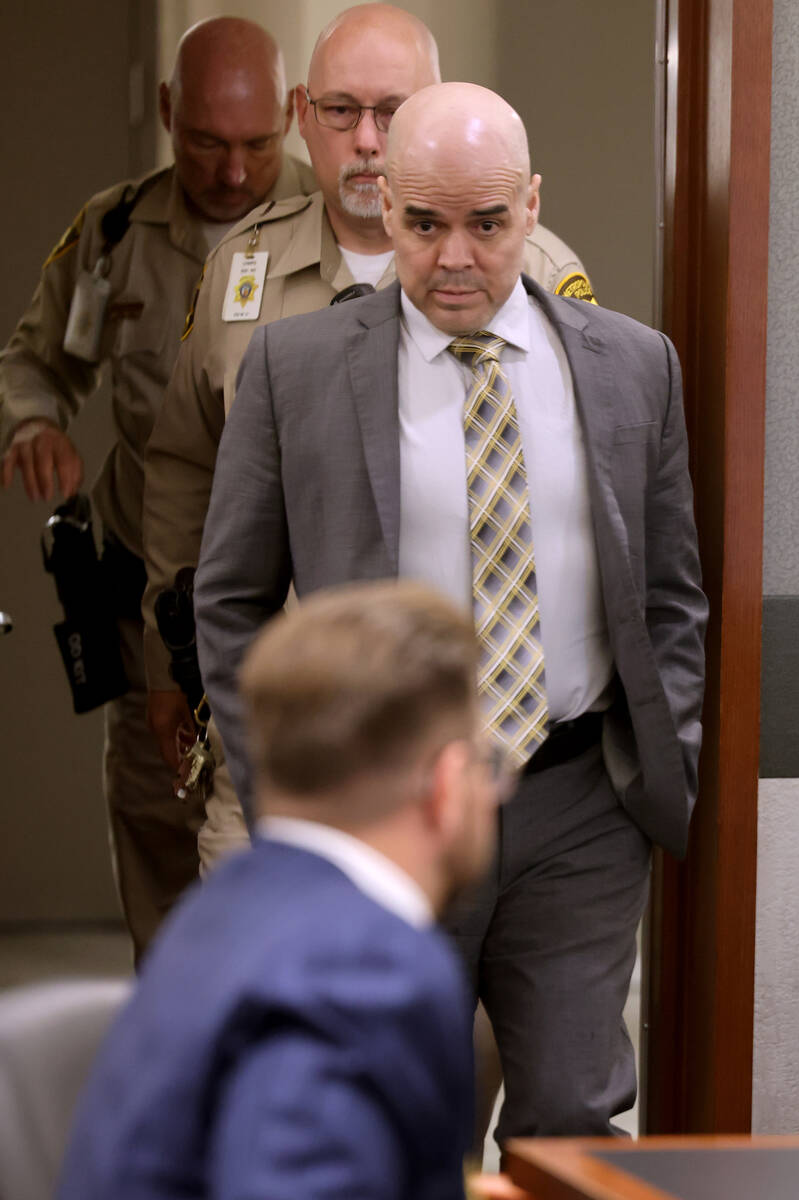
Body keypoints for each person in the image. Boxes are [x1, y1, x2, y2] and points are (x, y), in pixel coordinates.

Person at [194, 82, 708, 1145]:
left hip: (575, 802)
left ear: (530, 204)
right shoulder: (297, 370)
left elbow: (668, 596)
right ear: (385, 208)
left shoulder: (630, 367)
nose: (455, 257)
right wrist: (290, 796)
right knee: (387, 1115)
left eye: (486, 223)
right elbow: (231, 600)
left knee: (570, 1114)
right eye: (423, 225)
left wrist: (667, 759)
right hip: (384, 806)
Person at [141, 2, 597, 870]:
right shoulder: (242, 272)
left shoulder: (534, 274)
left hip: (476, 738)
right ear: (303, 114)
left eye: (394, 111)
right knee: (278, 980)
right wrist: (171, 663)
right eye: (342, 110)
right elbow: (181, 471)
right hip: (285, 720)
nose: (368, 141)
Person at [0, 17, 316, 962]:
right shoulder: (112, 233)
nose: (230, 171)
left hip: (293, 599)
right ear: (170, 114)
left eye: (257, 144)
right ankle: (178, 1050)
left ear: (294, 118)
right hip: (154, 599)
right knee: (160, 833)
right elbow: (37, 361)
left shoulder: (336, 226)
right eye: (206, 143)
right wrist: (34, 421)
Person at [56, 580, 499, 1199]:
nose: (498, 790)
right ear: (448, 786)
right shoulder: (370, 974)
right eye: (491, 763)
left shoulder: (223, 908)